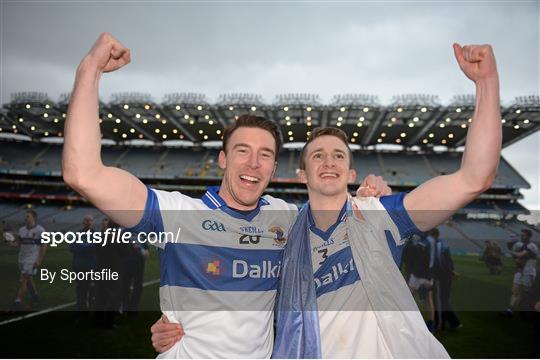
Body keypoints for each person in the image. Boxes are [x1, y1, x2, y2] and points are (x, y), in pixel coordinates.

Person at [152, 41, 502, 358]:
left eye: (339, 155)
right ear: (301, 174)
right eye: (317, 155)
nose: (329, 161)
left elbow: (474, 178)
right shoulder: (286, 231)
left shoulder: (379, 216)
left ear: (351, 174)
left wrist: (486, 84)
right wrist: (179, 329)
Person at [62, 32, 390, 358]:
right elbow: (84, 174)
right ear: (223, 158)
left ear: (274, 169)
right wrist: (89, 71)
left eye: (264, 155)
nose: (252, 163)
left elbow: (344, 221)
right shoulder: (177, 213)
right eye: (242, 150)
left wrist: (372, 195)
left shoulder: (288, 219)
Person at [10, 210, 47, 311]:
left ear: (34, 218)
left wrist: (39, 260)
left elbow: (44, 246)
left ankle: (18, 302)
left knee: (23, 280)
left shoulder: (40, 230)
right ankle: (35, 297)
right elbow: (19, 242)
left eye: (28, 217)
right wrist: (14, 244)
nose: (25, 218)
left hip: (32, 259)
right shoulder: (21, 229)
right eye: (25, 217)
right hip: (21, 258)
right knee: (29, 280)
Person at [429, 228, 461, 331]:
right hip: (445, 277)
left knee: (439, 301)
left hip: (441, 277)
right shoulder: (443, 245)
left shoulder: (437, 246)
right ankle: (454, 322)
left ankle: (440, 324)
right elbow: (449, 262)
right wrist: (452, 272)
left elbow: (441, 263)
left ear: (433, 235)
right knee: (443, 300)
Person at [504, 229, 538, 316]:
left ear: (529, 236)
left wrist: (512, 253)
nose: (521, 237)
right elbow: (517, 259)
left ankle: (529, 307)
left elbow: (520, 255)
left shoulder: (532, 246)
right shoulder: (520, 245)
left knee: (527, 292)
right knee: (515, 290)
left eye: (524, 235)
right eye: (521, 235)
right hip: (519, 271)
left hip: (528, 272)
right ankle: (510, 309)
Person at [69, 214, 97, 320]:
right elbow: (72, 247)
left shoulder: (96, 235)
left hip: (91, 266)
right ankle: (81, 311)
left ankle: (90, 309)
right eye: (86, 220)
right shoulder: (78, 234)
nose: (88, 222)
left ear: (92, 222)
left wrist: (81, 246)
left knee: (91, 289)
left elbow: (95, 247)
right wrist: (87, 247)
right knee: (80, 289)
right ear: (83, 222)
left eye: (90, 220)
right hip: (79, 266)